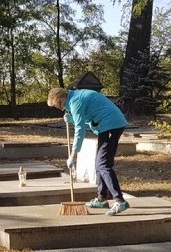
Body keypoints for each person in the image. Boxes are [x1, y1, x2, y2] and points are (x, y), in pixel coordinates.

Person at [47, 87, 129, 216]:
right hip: (107, 125)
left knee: (103, 164)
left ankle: (119, 200)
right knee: (99, 164)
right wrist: (72, 119)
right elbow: (87, 117)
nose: (61, 108)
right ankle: (102, 198)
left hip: (111, 124)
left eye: (59, 105)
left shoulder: (75, 102)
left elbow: (80, 130)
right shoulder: (75, 98)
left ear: (62, 99)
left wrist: (73, 155)